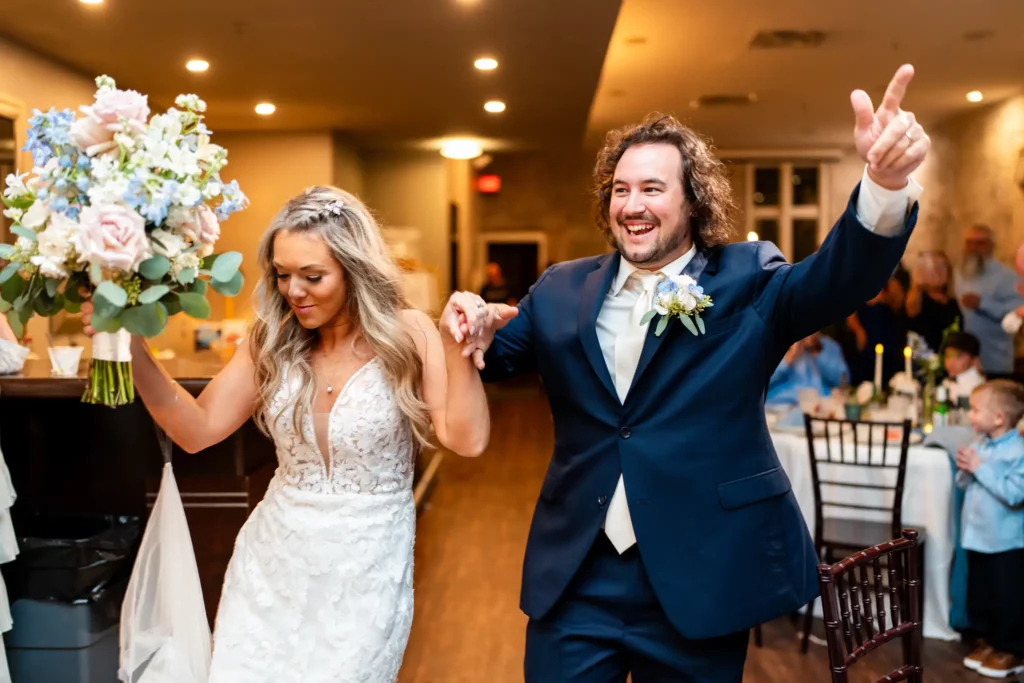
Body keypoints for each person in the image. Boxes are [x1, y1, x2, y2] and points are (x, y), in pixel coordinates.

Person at [444, 65, 928, 681]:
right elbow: (492, 352)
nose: (632, 205)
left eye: (652, 188)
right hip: (577, 578)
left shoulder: (747, 278)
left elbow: (838, 278)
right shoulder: (562, 288)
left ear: (693, 200)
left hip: (700, 575)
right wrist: (472, 323)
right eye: (620, 190)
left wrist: (884, 186)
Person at [82, 186, 496, 683]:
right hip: (270, 565)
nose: (293, 291)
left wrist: (460, 346)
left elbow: (466, 439)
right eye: (282, 274)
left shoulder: (408, 335)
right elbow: (196, 430)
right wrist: (132, 346)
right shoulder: (270, 340)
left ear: (354, 269)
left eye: (312, 276)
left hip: (365, 575)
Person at [955, 380, 1024, 678]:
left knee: (1006, 596)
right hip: (977, 535)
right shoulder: (979, 444)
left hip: (1005, 540)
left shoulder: (1019, 450)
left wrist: (980, 467)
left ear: (998, 417)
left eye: (974, 410)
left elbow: (1014, 494)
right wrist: (967, 468)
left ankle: (1011, 650)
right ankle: (987, 641)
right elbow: (966, 484)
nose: (969, 416)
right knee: (981, 593)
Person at [955, 225, 1024, 377]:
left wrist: (983, 304)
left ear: (991, 246)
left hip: (994, 362)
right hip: (962, 364)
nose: (973, 248)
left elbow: (1017, 313)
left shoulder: (1007, 277)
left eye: (980, 243)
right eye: (970, 243)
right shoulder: (959, 274)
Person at [846, 269, 908, 386]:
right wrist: (859, 331)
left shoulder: (890, 283)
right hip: (868, 335)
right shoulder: (856, 284)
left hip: (888, 333)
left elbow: (898, 306)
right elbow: (850, 314)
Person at [766, 332, 849, 407]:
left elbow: (844, 383)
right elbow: (759, 383)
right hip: (781, 407)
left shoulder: (830, 346)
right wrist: (789, 357)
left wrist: (818, 352)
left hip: (821, 408)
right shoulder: (774, 343)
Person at [907, 250, 961, 353]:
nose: (939, 272)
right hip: (925, 359)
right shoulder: (918, 299)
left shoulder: (951, 300)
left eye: (943, 267)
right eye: (935, 268)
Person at [943, 331, 984, 405]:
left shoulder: (978, 389)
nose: (950, 362)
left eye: (958, 356)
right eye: (948, 356)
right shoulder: (947, 382)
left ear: (974, 360)